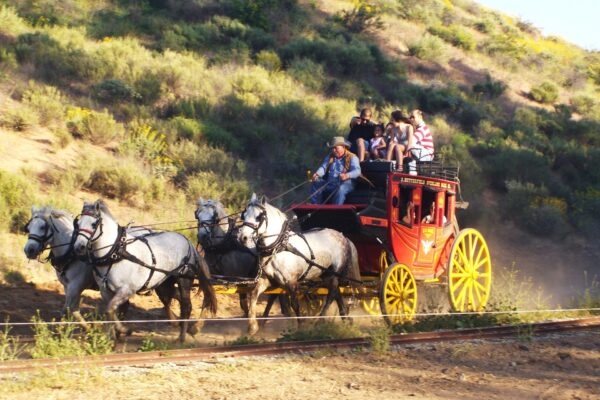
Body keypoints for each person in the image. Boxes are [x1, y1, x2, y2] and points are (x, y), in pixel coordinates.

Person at [310, 136, 361, 205]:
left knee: (341, 189)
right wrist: (317, 174)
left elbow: (357, 171)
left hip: (347, 184)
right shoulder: (330, 157)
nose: (334, 150)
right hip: (331, 183)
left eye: (336, 148)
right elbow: (323, 167)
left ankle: (336, 209)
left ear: (343, 147)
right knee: (316, 182)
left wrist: (347, 175)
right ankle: (315, 206)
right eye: (332, 148)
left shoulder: (352, 157)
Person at [407, 109, 434, 175]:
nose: (411, 119)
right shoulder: (419, 128)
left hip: (427, 154)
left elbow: (412, 141)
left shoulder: (422, 129)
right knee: (410, 146)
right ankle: (411, 170)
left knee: (411, 145)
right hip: (423, 153)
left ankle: (412, 172)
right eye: (410, 117)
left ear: (420, 117)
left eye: (413, 117)